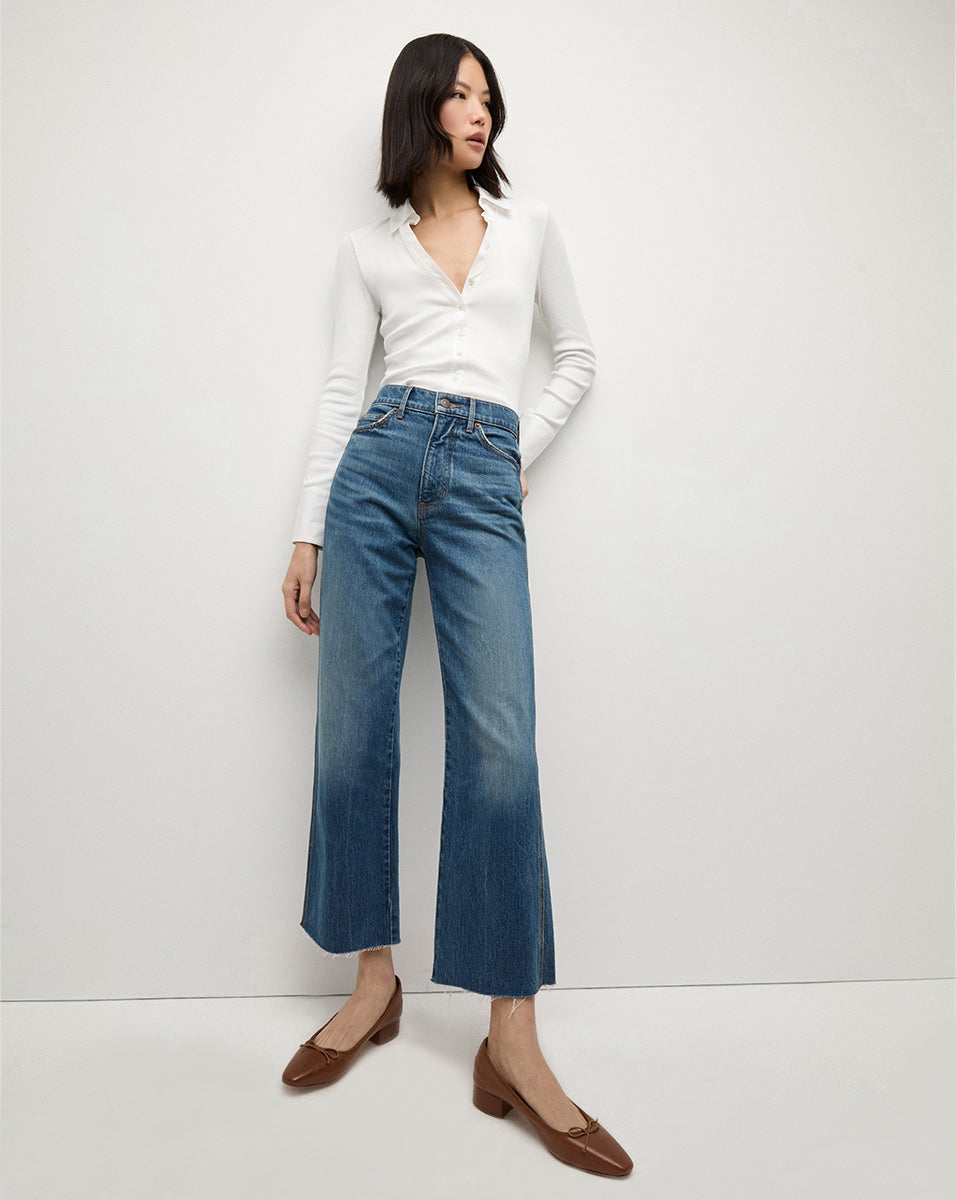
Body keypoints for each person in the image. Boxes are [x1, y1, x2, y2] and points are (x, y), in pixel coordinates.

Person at [279, 33, 632, 1178]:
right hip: (376, 466)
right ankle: (371, 985)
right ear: (420, 107)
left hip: (481, 465)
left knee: (499, 745)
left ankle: (508, 1038)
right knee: (352, 728)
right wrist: (307, 528)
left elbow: (575, 356)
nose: (480, 112)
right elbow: (344, 389)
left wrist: (506, 456)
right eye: (461, 95)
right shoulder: (366, 252)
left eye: (489, 97)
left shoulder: (529, 227)